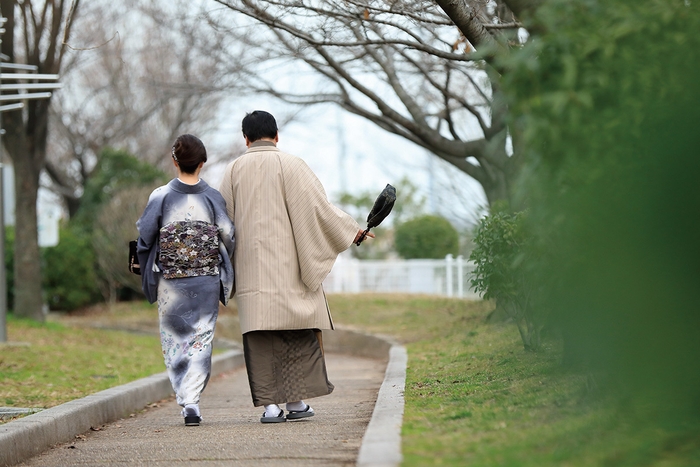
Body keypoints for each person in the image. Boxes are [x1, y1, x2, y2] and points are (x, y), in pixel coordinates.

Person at [218, 110, 373, 423]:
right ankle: (297, 403)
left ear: (246, 139)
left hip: (252, 270)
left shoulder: (233, 170)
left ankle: (270, 408)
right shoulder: (293, 164)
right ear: (276, 136)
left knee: (261, 337)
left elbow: (224, 224)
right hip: (291, 268)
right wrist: (352, 230)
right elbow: (319, 210)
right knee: (295, 333)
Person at [136, 134, 235, 426]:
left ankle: (187, 400)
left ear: (174, 161)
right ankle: (193, 397)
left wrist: (147, 264)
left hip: (171, 281)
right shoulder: (213, 196)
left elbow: (145, 236)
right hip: (205, 278)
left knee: (174, 339)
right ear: (202, 164)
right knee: (201, 339)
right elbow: (228, 235)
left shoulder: (161, 195)